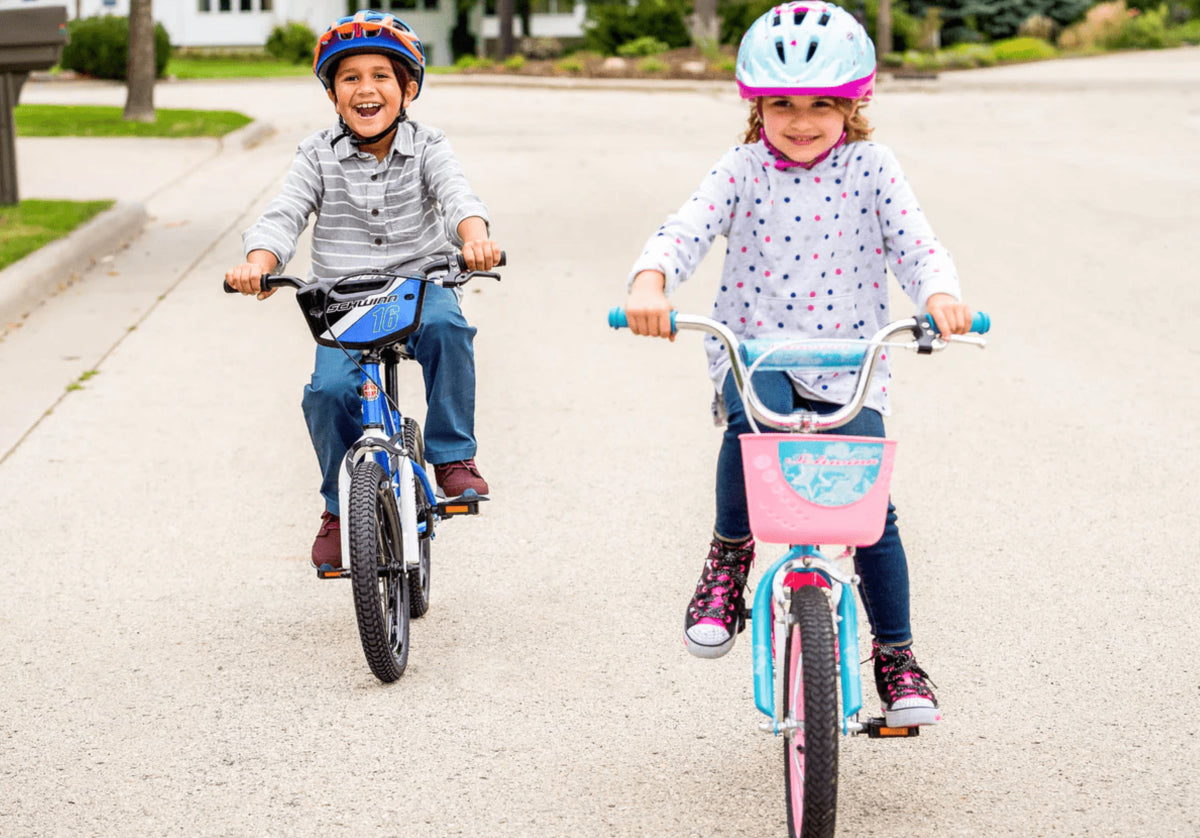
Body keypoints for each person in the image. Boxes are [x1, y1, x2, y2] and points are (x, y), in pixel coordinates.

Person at [622, 1, 974, 727]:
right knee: (753, 421)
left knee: (869, 511)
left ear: (855, 104)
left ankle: (898, 657)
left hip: (851, 365)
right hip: (757, 353)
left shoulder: (873, 168)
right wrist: (650, 282)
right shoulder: (742, 169)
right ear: (757, 107)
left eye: (824, 104)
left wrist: (940, 295)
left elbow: (917, 245)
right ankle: (728, 557)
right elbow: (686, 229)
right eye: (782, 104)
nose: (803, 120)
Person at [225, 11, 502, 572]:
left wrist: (475, 240)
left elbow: (458, 197)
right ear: (333, 94)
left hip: (421, 284)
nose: (366, 88)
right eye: (349, 78)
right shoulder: (317, 153)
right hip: (344, 300)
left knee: (450, 327)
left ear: (408, 89)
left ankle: (453, 456)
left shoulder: (429, 146)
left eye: (381, 75)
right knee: (327, 395)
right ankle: (338, 507)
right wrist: (260, 261)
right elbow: (285, 214)